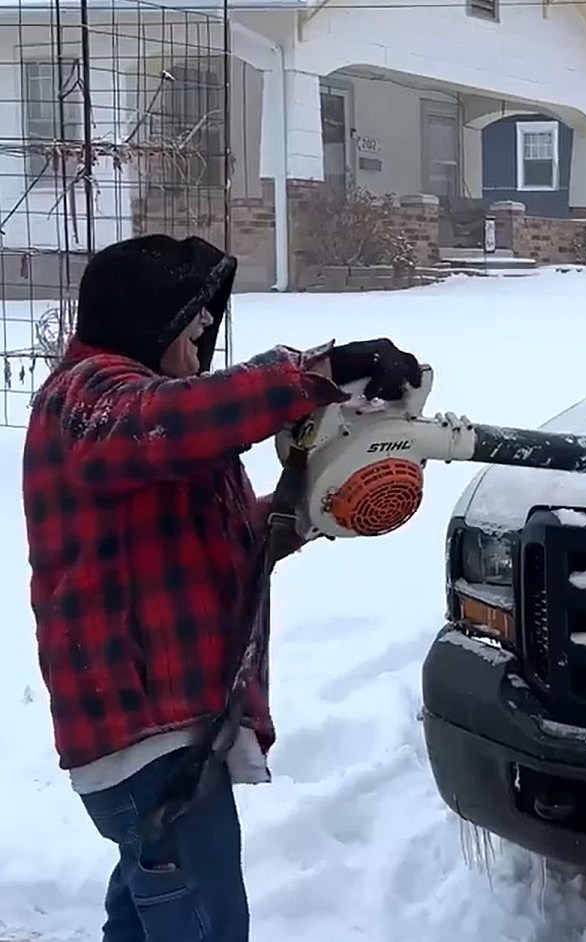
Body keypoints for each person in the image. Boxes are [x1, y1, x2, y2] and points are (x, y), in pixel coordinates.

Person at [21, 233, 423, 942]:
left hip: (173, 735)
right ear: (148, 316)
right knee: (206, 925)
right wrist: (317, 371)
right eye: (192, 312)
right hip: (146, 741)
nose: (206, 326)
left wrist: (317, 502)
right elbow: (164, 422)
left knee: (148, 917)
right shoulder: (87, 401)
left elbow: (226, 540)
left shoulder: (145, 424)